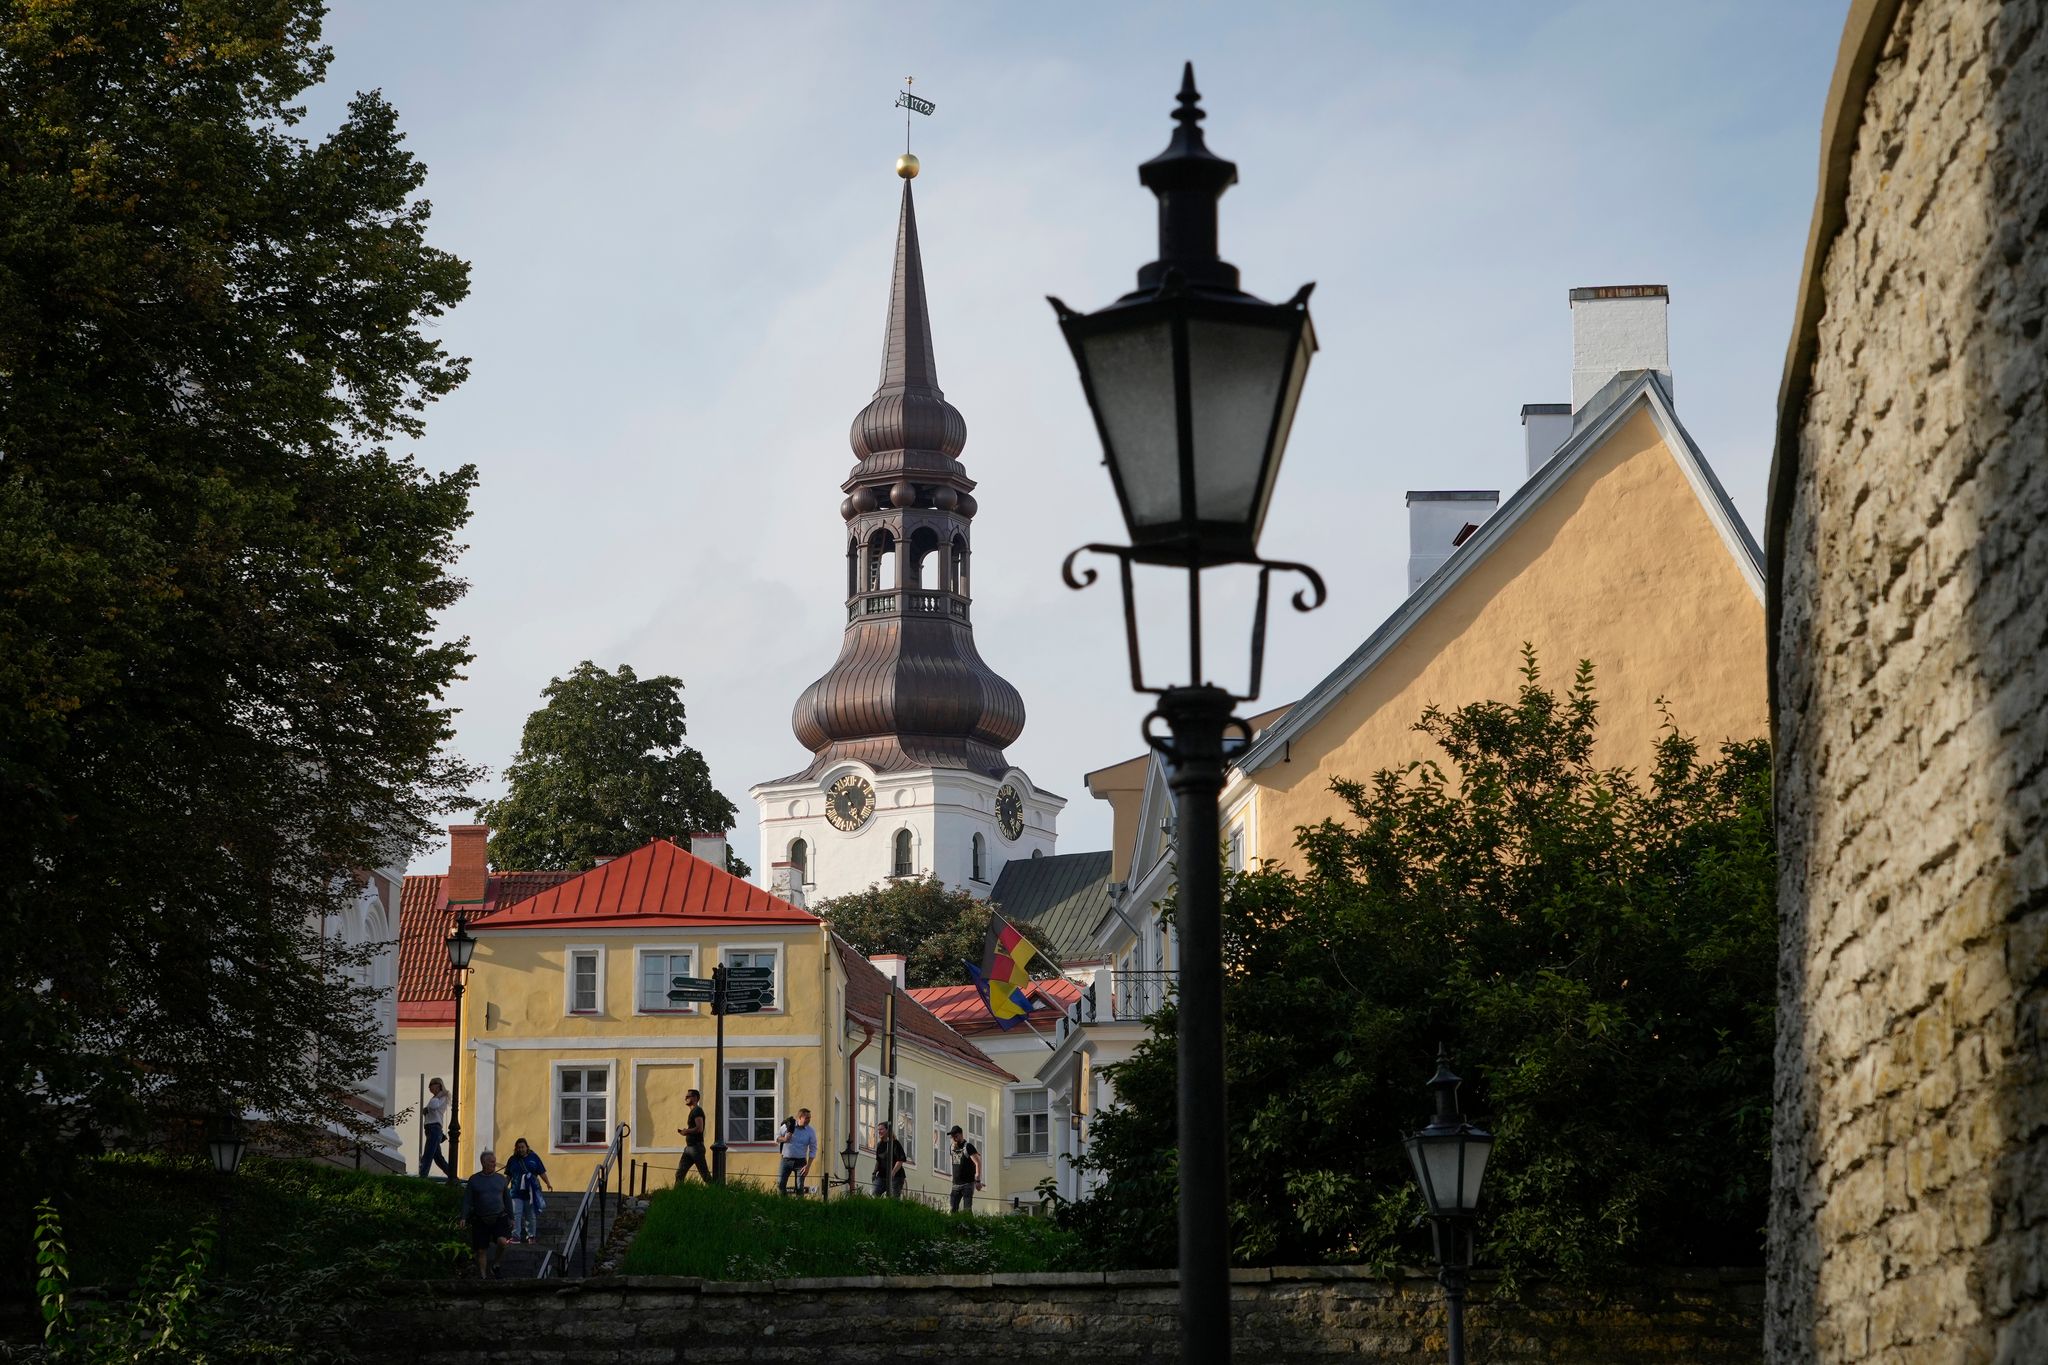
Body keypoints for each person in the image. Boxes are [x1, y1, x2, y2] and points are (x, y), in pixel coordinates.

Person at [461, 1149, 514, 1278]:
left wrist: (511, 1217)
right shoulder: (474, 1180)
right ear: (483, 1163)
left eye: (495, 1162)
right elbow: (467, 1200)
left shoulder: (501, 1179)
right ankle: (483, 1277)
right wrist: (463, 1216)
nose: (494, 1164)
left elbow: (507, 1199)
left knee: (502, 1242)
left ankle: (496, 1264)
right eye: (491, 1162)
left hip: (499, 1217)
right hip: (481, 1218)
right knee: (481, 1250)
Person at [504, 1137, 552, 1244]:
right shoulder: (512, 1160)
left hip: (531, 1192)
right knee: (516, 1214)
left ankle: (531, 1236)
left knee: (530, 1215)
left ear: (527, 1147)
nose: (521, 1149)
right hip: (516, 1192)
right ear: (516, 1149)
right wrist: (503, 1188)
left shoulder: (534, 1158)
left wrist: (548, 1183)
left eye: (522, 1147)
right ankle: (515, 1236)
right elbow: (508, 1176)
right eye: (518, 1148)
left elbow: (541, 1172)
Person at [419, 1077, 452, 1179]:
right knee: (438, 1158)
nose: (430, 1087)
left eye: (432, 1084)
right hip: (430, 1129)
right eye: (429, 1085)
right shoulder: (436, 1097)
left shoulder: (441, 1097)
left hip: (434, 1128)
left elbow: (434, 1106)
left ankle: (423, 1176)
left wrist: (438, 1095)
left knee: (428, 1153)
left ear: (439, 1085)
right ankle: (452, 1175)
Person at [778, 1108, 817, 1196]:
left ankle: (799, 1205)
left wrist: (808, 1166)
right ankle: (783, 1204)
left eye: (809, 1118)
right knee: (780, 1183)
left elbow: (813, 1149)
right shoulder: (788, 1126)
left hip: (801, 1162)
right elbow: (776, 1138)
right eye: (806, 1118)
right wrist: (784, 1139)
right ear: (800, 1117)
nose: (809, 1120)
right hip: (786, 1160)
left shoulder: (811, 1132)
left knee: (799, 1186)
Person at [676, 1087, 711, 1185]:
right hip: (689, 1148)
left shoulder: (697, 1111)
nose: (685, 1098)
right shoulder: (693, 1111)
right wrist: (685, 1132)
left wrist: (686, 1131)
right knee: (680, 1173)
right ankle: (678, 1195)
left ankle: (719, 1193)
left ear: (695, 1098)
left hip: (696, 1148)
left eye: (688, 1096)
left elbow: (699, 1128)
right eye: (685, 1096)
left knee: (705, 1175)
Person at [947, 1124, 982, 1213]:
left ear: (961, 1134)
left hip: (968, 1184)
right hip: (955, 1184)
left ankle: (969, 1226)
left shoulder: (968, 1147)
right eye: (952, 1137)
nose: (954, 1138)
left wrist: (977, 1181)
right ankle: (954, 1226)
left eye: (956, 1136)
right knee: (952, 1209)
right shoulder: (951, 1147)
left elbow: (977, 1162)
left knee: (967, 1210)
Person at [870, 1121, 907, 1199]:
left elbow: (900, 1160)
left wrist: (893, 1172)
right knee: (873, 1193)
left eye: (881, 1129)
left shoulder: (895, 1144)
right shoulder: (880, 1145)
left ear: (887, 1130)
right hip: (882, 1175)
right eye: (878, 1130)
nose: (879, 1131)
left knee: (893, 1198)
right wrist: (874, 1172)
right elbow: (878, 1160)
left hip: (896, 1177)